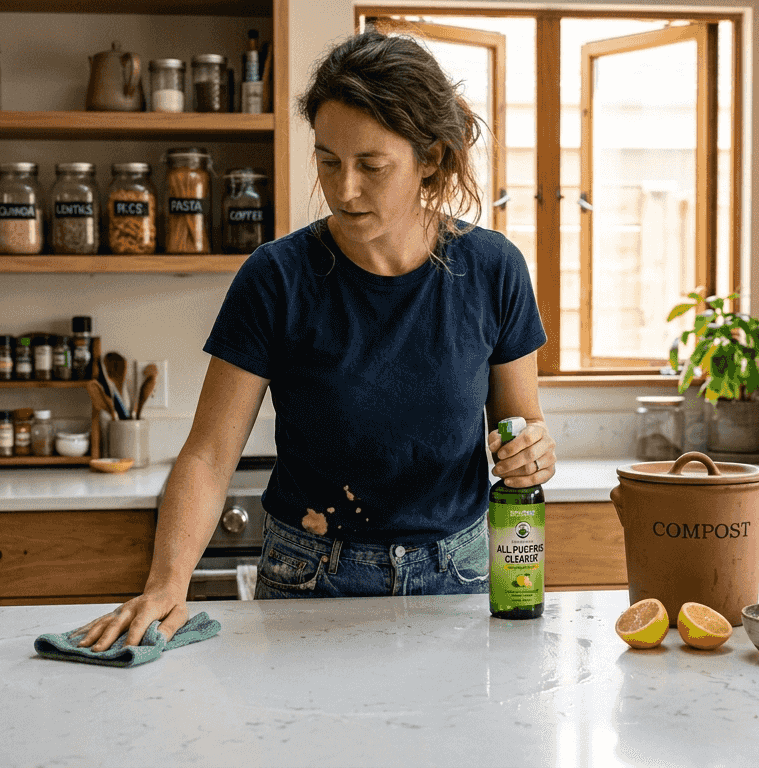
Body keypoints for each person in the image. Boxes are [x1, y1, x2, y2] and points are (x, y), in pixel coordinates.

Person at [75, 30, 556, 651]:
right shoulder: (276, 277)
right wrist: (168, 582)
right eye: (329, 161)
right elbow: (208, 454)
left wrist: (533, 456)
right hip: (311, 575)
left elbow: (523, 436)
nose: (343, 187)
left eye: (371, 166)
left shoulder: (494, 269)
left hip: (457, 577)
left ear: (430, 159)